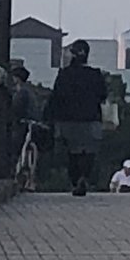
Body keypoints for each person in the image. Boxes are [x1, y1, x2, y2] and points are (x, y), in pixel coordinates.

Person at [48, 40, 108, 197]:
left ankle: (75, 181)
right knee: (88, 152)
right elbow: (103, 95)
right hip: (91, 118)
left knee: (72, 152)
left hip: (68, 119)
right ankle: (84, 177)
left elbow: (56, 97)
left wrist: (49, 117)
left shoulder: (64, 74)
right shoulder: (95, 74)